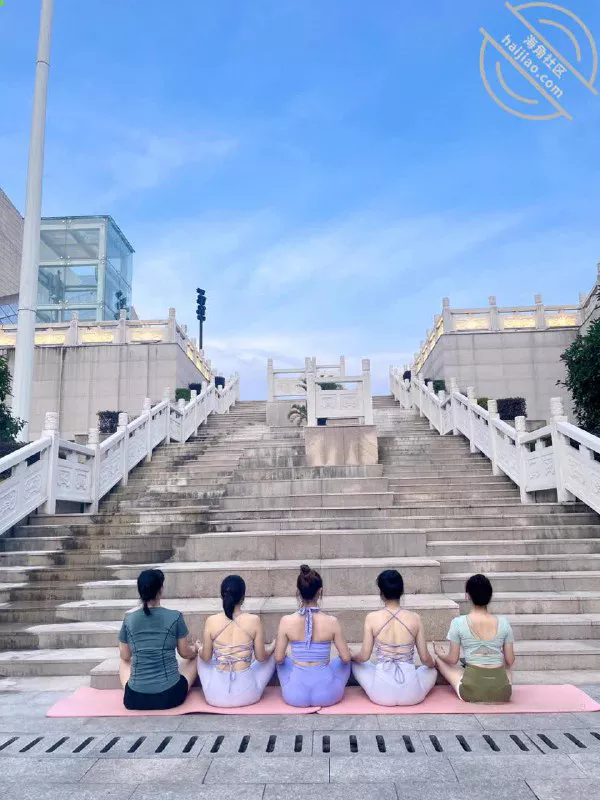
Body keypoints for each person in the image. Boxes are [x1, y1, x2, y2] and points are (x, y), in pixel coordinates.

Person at [351, 569, 437, 705]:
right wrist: (435, 663)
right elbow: (426, 659)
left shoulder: (372, 618)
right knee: (431, 670)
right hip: (412, 695)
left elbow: (363, 657)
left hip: (381, 696)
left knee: (356, 664)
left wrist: (351, 656)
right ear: (402, 591)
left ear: (381, 593)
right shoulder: (415, 618)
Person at [119, 569, 199, 710]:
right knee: (196, 659)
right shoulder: (175, 617)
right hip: (169, 697)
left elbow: (125, 655)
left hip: (134, 699)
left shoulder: (129, 620)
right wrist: (196, 649)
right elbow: (185, 653)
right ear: (161, 589)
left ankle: (134, 687)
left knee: (123, 661)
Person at [275, 564, 351, 707]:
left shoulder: (286, 621)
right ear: (320, 592)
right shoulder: (332, 622)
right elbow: (346, 658)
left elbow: (278, 659)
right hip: (327, 695)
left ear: (298, 592)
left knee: (281, 660)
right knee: (346, 658)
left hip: (295, 696)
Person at [434, 573, 514, 703]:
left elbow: (453, 659)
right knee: (508, 667)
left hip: (471, 691)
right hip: (502, 693)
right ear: (490, 596)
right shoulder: (504, 623)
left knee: (439, 661)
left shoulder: (458, 623)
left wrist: (441, 654)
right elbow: (510, 660)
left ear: (468, 596)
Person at [197, 575, 276, 708]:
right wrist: (272, 646)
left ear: (222, 596)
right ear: (243, 597)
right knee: (272, 655)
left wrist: (198, 648)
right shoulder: (254, 621)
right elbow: (261, 657)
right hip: (248, 694)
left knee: (200, 656)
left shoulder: (211, 621)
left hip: (215, 696)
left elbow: (205, 657)